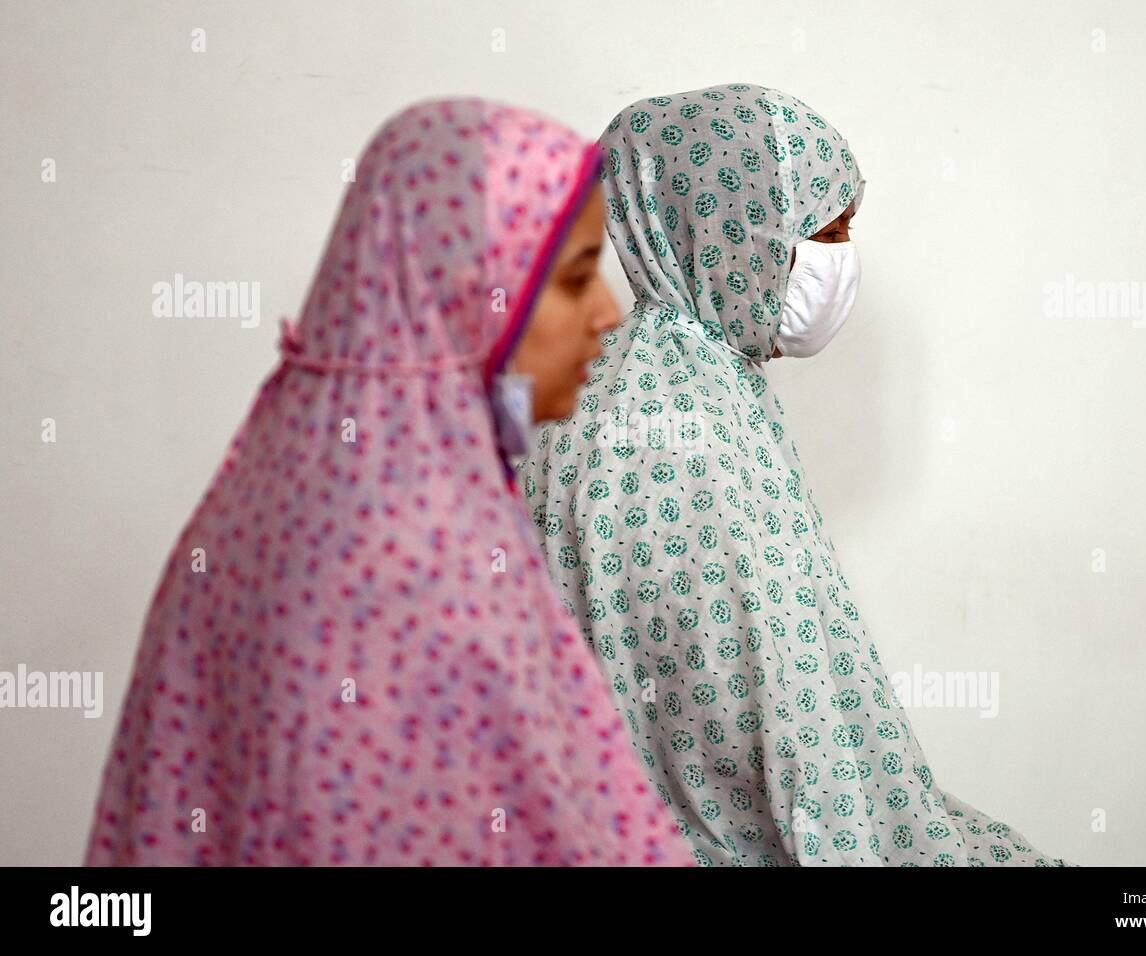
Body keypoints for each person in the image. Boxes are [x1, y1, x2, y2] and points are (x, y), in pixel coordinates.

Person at [84, 97, 696, 867]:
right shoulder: (415, 555)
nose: (608, 314)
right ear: (470, 287)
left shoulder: (280, 480)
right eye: (575, 280)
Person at [519, 82, 1071, 866]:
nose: (841, 264)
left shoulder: (668, 376)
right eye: (824, 232)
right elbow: (749, 726)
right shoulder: (674, 428)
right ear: (727, 228)